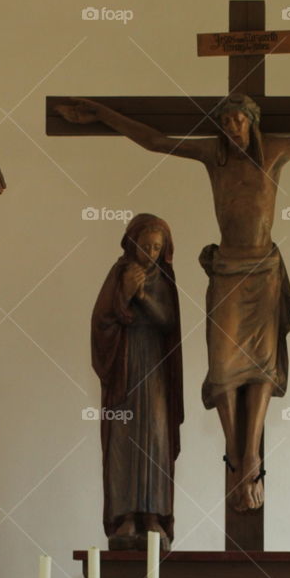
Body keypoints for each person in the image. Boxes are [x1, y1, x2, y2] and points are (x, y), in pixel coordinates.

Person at [58, 91, 290, 509]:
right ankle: (237, 458)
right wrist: (104, 112)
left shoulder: (275, 154)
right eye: (225, 121)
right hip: (227, 270)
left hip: (264, 270)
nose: (231, 128)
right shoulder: (214, 157)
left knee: (264, 363)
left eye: (238, 120)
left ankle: (250, 456)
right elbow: (156, 141)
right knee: (223, 364)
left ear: (253, 122)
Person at [90, 214, 183, 549]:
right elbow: (101, 320)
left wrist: (142, 296)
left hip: (155, 368)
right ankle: (126, 516)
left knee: (156, 438)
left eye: (158, 247)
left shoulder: (164, 279)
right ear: (133, 243)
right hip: (125, 367)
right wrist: (124, 296)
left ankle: (153, 517)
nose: (151, 253)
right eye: (146, 246)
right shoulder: (119, 273)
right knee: (124, 440)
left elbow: (168, 321)